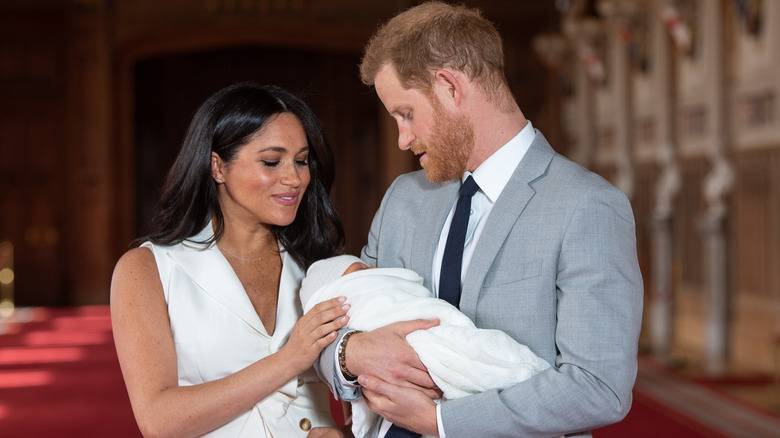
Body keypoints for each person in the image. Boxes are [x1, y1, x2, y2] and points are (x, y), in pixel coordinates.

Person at [316, 2, 644, 438]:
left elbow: (599, 387)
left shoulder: (588, 206)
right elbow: (336, 317)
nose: (402, 139)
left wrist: (440, 423)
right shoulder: (404, 198)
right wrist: (350, 353)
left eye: (406, 114)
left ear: (450, 87)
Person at [110, 83, 353, 438]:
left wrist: (343, 435)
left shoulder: (323, 266)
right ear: (217, 167)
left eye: (301, 161)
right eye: (271, 161)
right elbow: (158, 420)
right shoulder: (148, 269)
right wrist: (289, 359)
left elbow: (366, 402)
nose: (294, 178)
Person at [301, 255, 552, 438]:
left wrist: (437, 421)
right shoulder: (398, 199)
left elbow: (589, 381)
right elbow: (321, 342)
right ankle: (518, 372)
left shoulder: (581, 200)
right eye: (364, 269)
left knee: (464, 351)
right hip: (391, 417)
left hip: (499, 414)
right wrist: (351, 350)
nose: (375, 269)